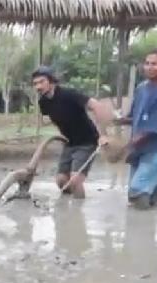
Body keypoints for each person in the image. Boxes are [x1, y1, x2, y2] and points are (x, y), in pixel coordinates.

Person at [109, 49, 157, 210]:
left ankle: (141, 230)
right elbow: (136, 117)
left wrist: (124, 147)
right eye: (147, 63)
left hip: (156, 148)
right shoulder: (141, 88)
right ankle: (153, 211)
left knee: (137, 191)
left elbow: (154, 126)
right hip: (139, 148)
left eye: (154, 64)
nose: (149, 67)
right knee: (142, 191)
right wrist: (120, 120)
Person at [32, 66, 115, 198]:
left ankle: (78, 211)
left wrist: (103, 134)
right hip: (69, 143)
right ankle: (66, 212)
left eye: (42, 82)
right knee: (61, 181)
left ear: (51, 81)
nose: (38, 86)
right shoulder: (43, 102)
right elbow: (54, 118)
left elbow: (96, 106)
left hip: (87, 141)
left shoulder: (68, 94)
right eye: (35, 83)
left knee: (75, 180)